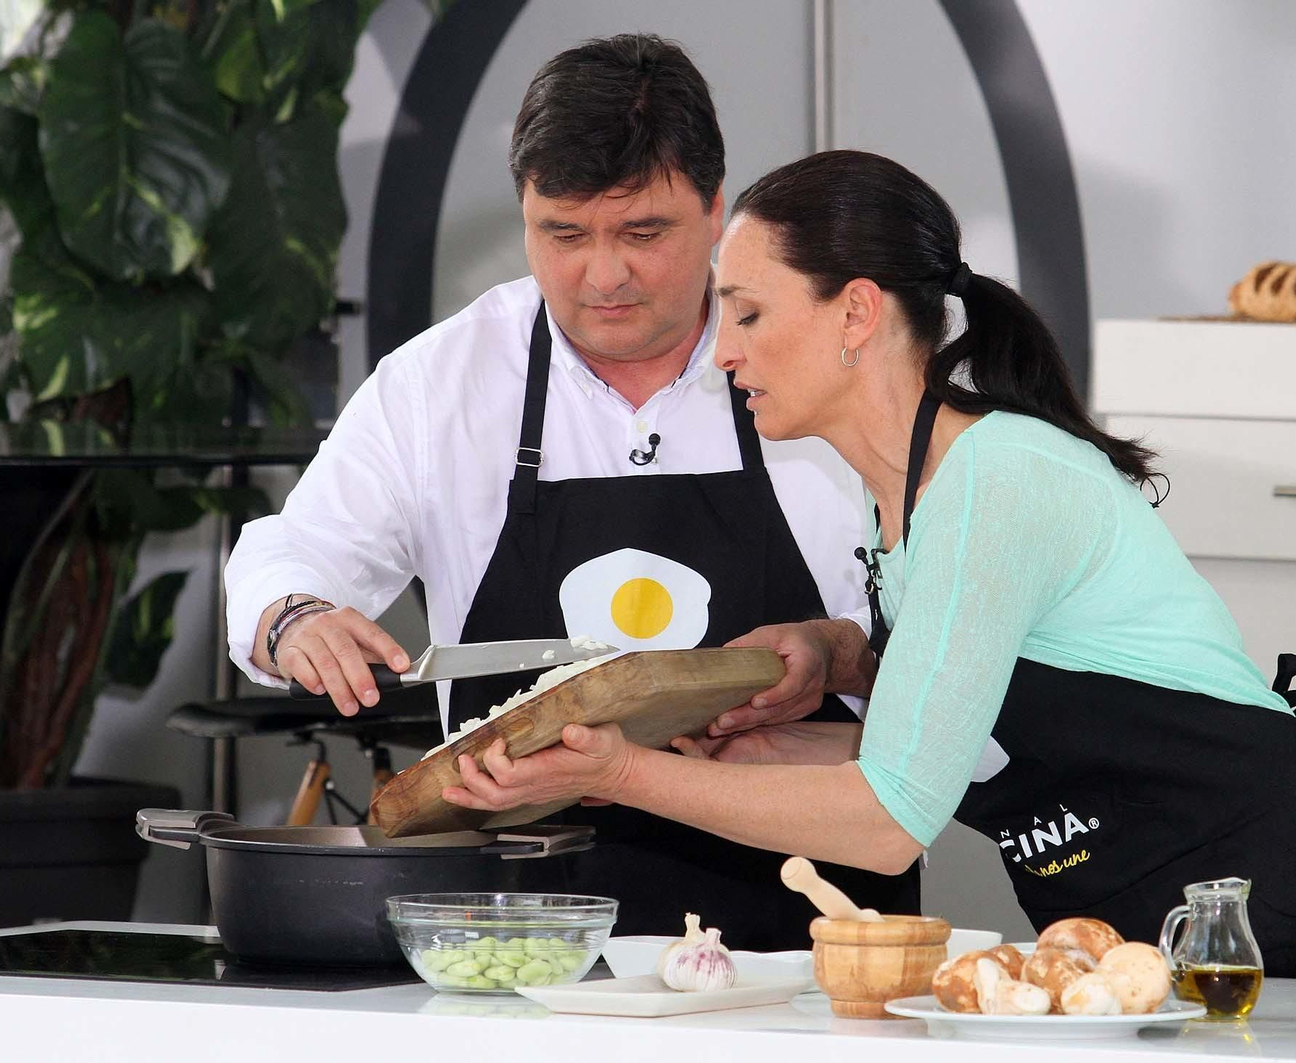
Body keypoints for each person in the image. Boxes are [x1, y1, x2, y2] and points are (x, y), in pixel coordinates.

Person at [439, 149, 1296, 978]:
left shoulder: (993, 481)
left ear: (857, 312)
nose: (724, 350)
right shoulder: (904, 500)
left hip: (1266, 919)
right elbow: (954, 744)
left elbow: (888, 821)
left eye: (749, 312)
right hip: (1131, 937)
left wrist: (615, 773)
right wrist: (776, 736)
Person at [224, 39, 917, 949]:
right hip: (519, 943)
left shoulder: (824, 361)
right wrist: (294, 615)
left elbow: (945, 649)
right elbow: (292, 549)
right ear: (523, 211)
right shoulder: (444, 381)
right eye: (564, 234)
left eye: (643, 233)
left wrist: (839, 653)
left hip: (819, 936)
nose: (605, 275)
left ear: (716, 210)